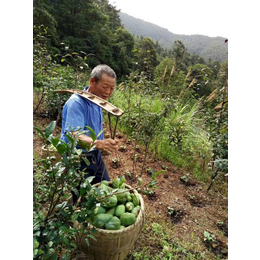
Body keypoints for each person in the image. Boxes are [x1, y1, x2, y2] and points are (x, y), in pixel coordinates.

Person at [60, 64, 119, 203]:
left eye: (112, 88)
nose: (108, 92)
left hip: (94, 154)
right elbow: (74, 134)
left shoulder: (98, 101)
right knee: (83, 198)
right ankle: (79, 222)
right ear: (92, 81)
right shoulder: (77, 103)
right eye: (105, 87)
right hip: (78, 158)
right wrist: (99, 143)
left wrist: (103, 143)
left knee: (106, 190)